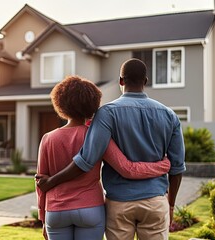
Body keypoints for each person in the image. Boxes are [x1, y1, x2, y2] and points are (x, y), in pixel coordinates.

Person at [37, 59, 186, 240]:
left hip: (118, 202)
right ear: (145, 81)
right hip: (154, 200)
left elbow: (86, 160)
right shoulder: (169, 115)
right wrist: (170, 203)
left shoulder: (106, 114)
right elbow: (177, 168)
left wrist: (50, 184)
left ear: (121, 81)